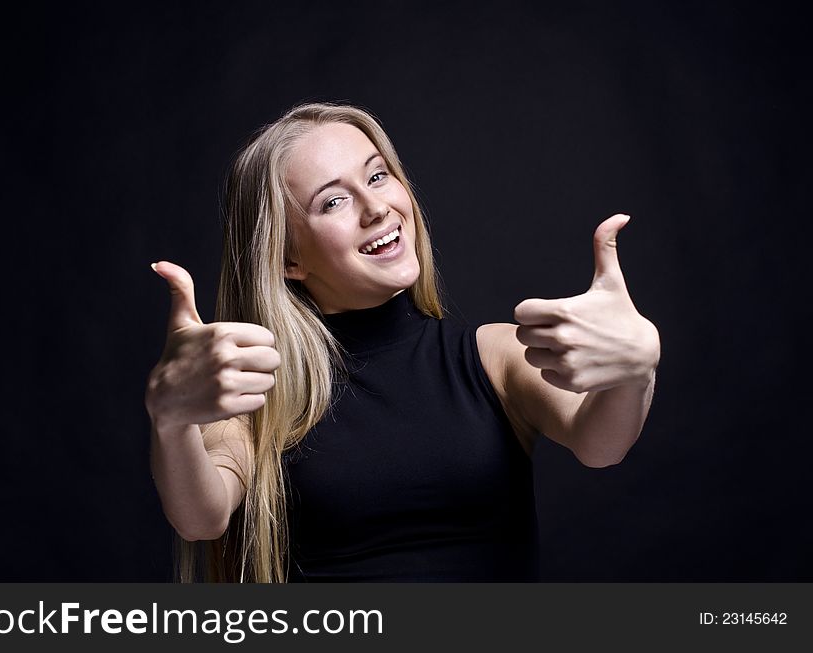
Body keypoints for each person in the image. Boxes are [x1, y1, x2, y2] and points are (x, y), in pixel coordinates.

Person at [144, 103, 661, 582]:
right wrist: (170, 417)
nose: (376, 207)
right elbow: (200, 517)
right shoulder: (257, 387)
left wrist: (636, 368)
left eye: (377, 175)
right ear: (287, 258)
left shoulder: (492, 357)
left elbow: (601, 444)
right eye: (334, 201)